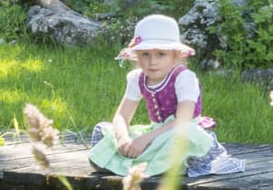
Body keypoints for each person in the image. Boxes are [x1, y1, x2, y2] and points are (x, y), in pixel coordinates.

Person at [87, 14, 243, 179]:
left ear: (175, 55)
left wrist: (145, 139)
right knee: (103, 128)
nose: (152, 62)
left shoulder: (183, 77)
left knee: (186, 133)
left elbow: (183, 119)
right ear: (137, 56)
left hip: (178, 129)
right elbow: (121, 116)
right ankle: (148, 162)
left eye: (161, 54)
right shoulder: (136, 78)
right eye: (145, 54)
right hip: (156, 133)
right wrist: (123, 138)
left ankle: (166, 163)